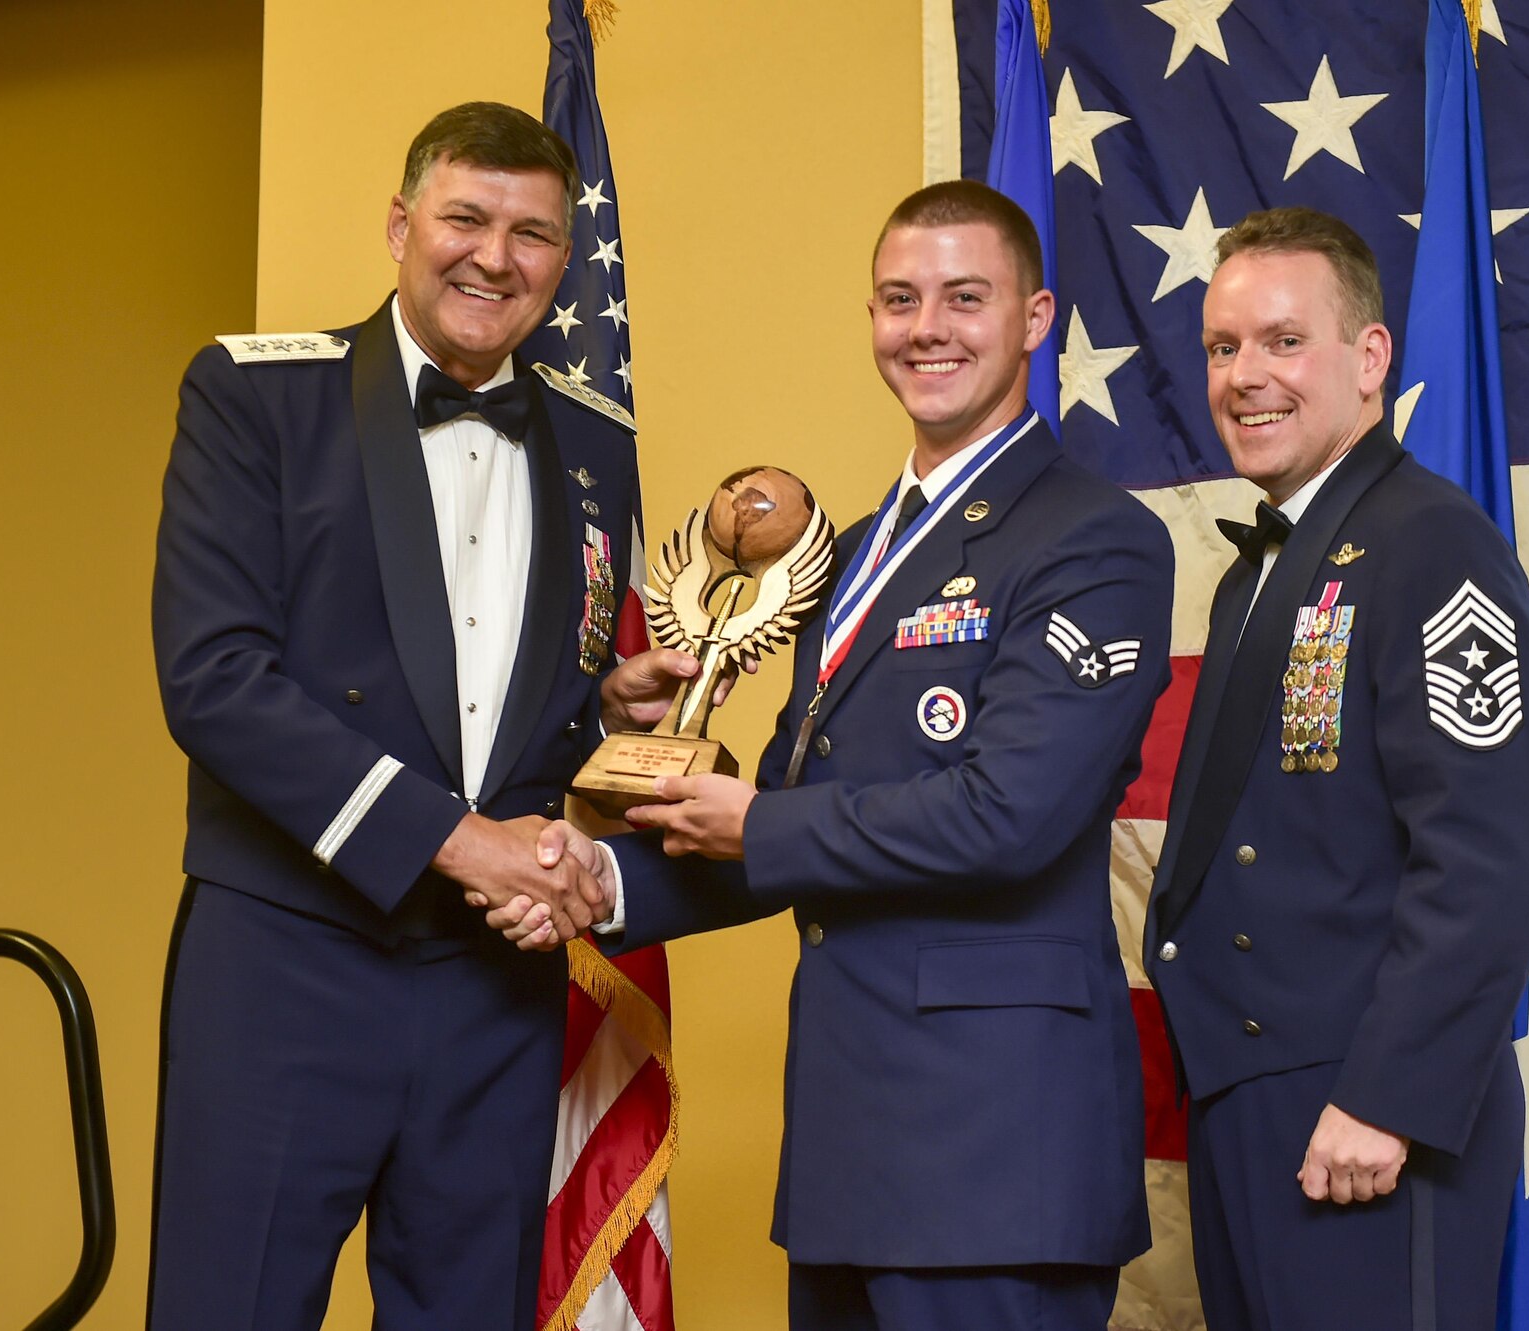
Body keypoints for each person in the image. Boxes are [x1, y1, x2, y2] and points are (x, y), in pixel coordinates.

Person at [498, 179, 1174, 1331]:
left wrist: (755, 823)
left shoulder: (1095, 538)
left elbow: (1006, 812)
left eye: (966, 298)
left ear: (1035, 318)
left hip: (996, 1154)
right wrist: (596, 879)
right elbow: (785, 814)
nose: (927, 328)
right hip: (848, 1148)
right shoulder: (853, 555)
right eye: (899, 299)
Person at [149, 101, 699, 1330]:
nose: (494, 258)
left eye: (533, 234)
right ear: (400, 224)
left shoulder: (594, 444)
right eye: (464, 217)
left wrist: (602, 706)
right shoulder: (256, 397)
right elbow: (215, 679)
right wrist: (464, 841)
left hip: (489, 981)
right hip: (288, 958)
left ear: (565, 256)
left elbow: (520, 704)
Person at [1141, 207, 1529, 1331]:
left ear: (1369, 359)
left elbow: (1486, 856)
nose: (1243, 376)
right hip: (1258, 1101)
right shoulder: (1266, 568)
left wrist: (1388, 1096)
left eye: (1283, 341)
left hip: (1366, 1106)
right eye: (1223, 347)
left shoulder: (1430, 541)